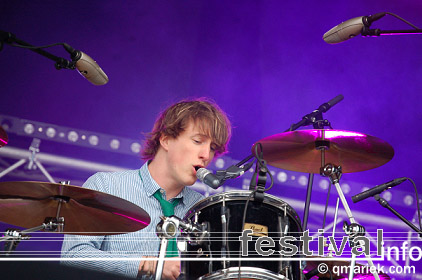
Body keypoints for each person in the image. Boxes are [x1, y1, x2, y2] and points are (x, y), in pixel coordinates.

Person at [61, 98, 232, 280]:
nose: (206, 155)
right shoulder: (106, 186)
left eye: (212, 148)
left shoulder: (204, 209)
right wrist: (149, 265)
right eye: (198, 141)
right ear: (165, 139)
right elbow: (73, 256)